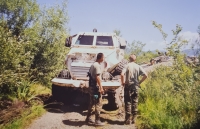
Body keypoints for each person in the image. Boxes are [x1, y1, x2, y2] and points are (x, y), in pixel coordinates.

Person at [120, 54, 148, 125]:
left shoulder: (127, 66)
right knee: (135, 102)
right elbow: (146, 75)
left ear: (129, 59)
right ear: (135, 59)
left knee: (128, 102)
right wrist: (139, 82)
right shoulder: (138, 66)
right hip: (135, 86)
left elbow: (122, 74)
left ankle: (127, 120)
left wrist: (123, 82)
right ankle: (134, 120)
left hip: (128, 86)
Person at [85, 53, 105, 126]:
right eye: (103, 57)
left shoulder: (93, 65)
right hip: (95, 89)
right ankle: (97, 121)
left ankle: (88, 118)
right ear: (101, 57)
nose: (104, 59)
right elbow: (98, 77)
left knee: (92, 103)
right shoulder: (97, 66)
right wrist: (101, 87)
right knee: (98, 103)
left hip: (91, 88)